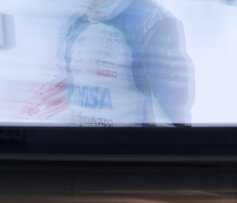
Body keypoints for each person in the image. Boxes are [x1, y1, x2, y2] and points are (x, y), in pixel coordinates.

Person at [30, 0, 193, 126]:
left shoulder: (152, 23)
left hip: (130, 159)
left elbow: (173, 113)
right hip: (82, 154)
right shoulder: (78, 22)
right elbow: (69, 95)